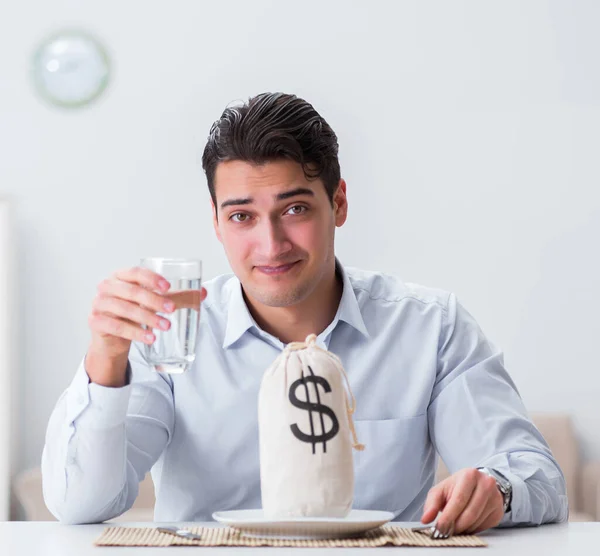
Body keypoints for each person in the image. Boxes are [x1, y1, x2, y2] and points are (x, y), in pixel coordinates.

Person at [42, 92, 568, 533]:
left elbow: (537, 477)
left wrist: (497, 490)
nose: (270, 245)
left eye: (295, 209)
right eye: (243, 216)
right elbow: (81, 506)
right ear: (217, 222)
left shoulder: (430, 327)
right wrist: (106, 360)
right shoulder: (170, 332)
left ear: (338, 202)